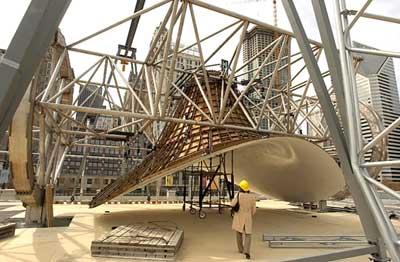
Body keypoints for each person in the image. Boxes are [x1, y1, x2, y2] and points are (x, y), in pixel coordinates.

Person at [231, 180, 256, 260]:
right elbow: (254, 210)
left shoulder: (238, 195)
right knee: (248, 234)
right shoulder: (252, 196)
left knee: (239, 233)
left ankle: (240, 249)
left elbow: (232, 204)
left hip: (239, 216)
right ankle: (247, 250)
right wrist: (250, 214)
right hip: (248, 217)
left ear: (240, 187)